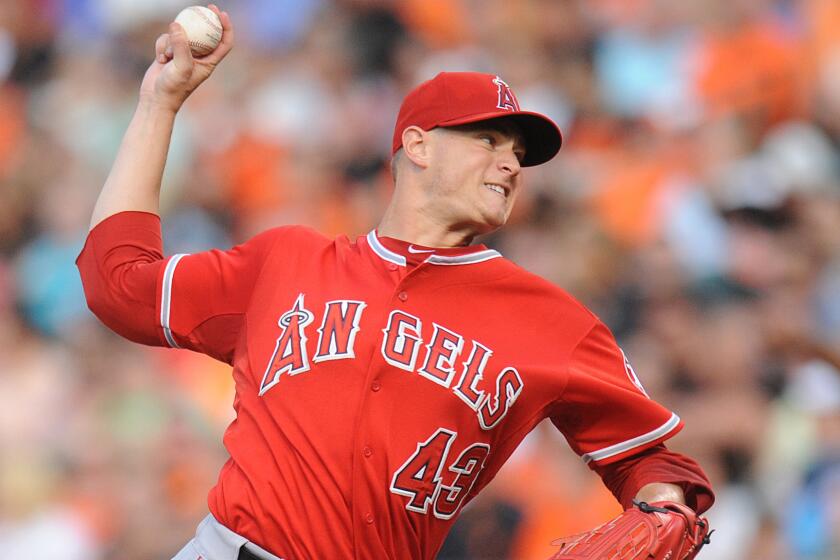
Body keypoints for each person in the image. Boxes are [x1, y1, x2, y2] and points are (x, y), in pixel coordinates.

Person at [76, 6, 714, 560]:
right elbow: (119, 284)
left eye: (519, 154)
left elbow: (652, 460)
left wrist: (662, 499)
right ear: (418, 145)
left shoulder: (551, 321)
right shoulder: (287, 262)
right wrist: (160, 101)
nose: (510, 164)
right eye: (488, 140)